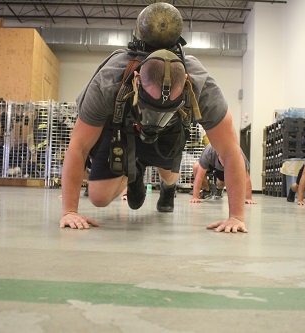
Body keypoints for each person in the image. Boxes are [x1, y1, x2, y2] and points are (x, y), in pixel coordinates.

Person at [59, 2, 247, 233]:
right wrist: (69, 211)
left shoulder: (202, 87)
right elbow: (78, 146)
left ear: (187, 82)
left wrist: (236, 216)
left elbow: (230, 151)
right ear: (136, 80)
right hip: (123, 127)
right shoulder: (110, 81)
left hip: (171, 130)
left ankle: (168, 188)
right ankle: (133, 173)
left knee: (168, 176)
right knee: (98, 197)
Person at [189, 144, 256, 204]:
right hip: (211, 164)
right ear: (218, 154)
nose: (225, 160)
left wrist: (248, 198)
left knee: (220, 183)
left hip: (225, 168)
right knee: (196, 167)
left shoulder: (238, 154)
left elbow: (246, 177)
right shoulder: (209, 151)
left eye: (227, 158)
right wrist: (195, 197)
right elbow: (199, 177)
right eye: (223, 158)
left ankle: (219, 189)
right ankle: (206, 190)